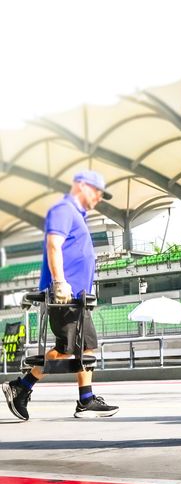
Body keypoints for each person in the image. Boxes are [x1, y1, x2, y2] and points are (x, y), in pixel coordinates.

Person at [2, 171, 119, 420]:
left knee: (85, 347)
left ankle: (85, 399)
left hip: (77, 298)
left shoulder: (76, 215)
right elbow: (53, 244)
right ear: (81, 186)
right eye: (97, 191)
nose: (99, 197)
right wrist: (59, 282)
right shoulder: (63, 209)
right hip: (64, 296)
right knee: (68, 349)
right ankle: (21, 387)